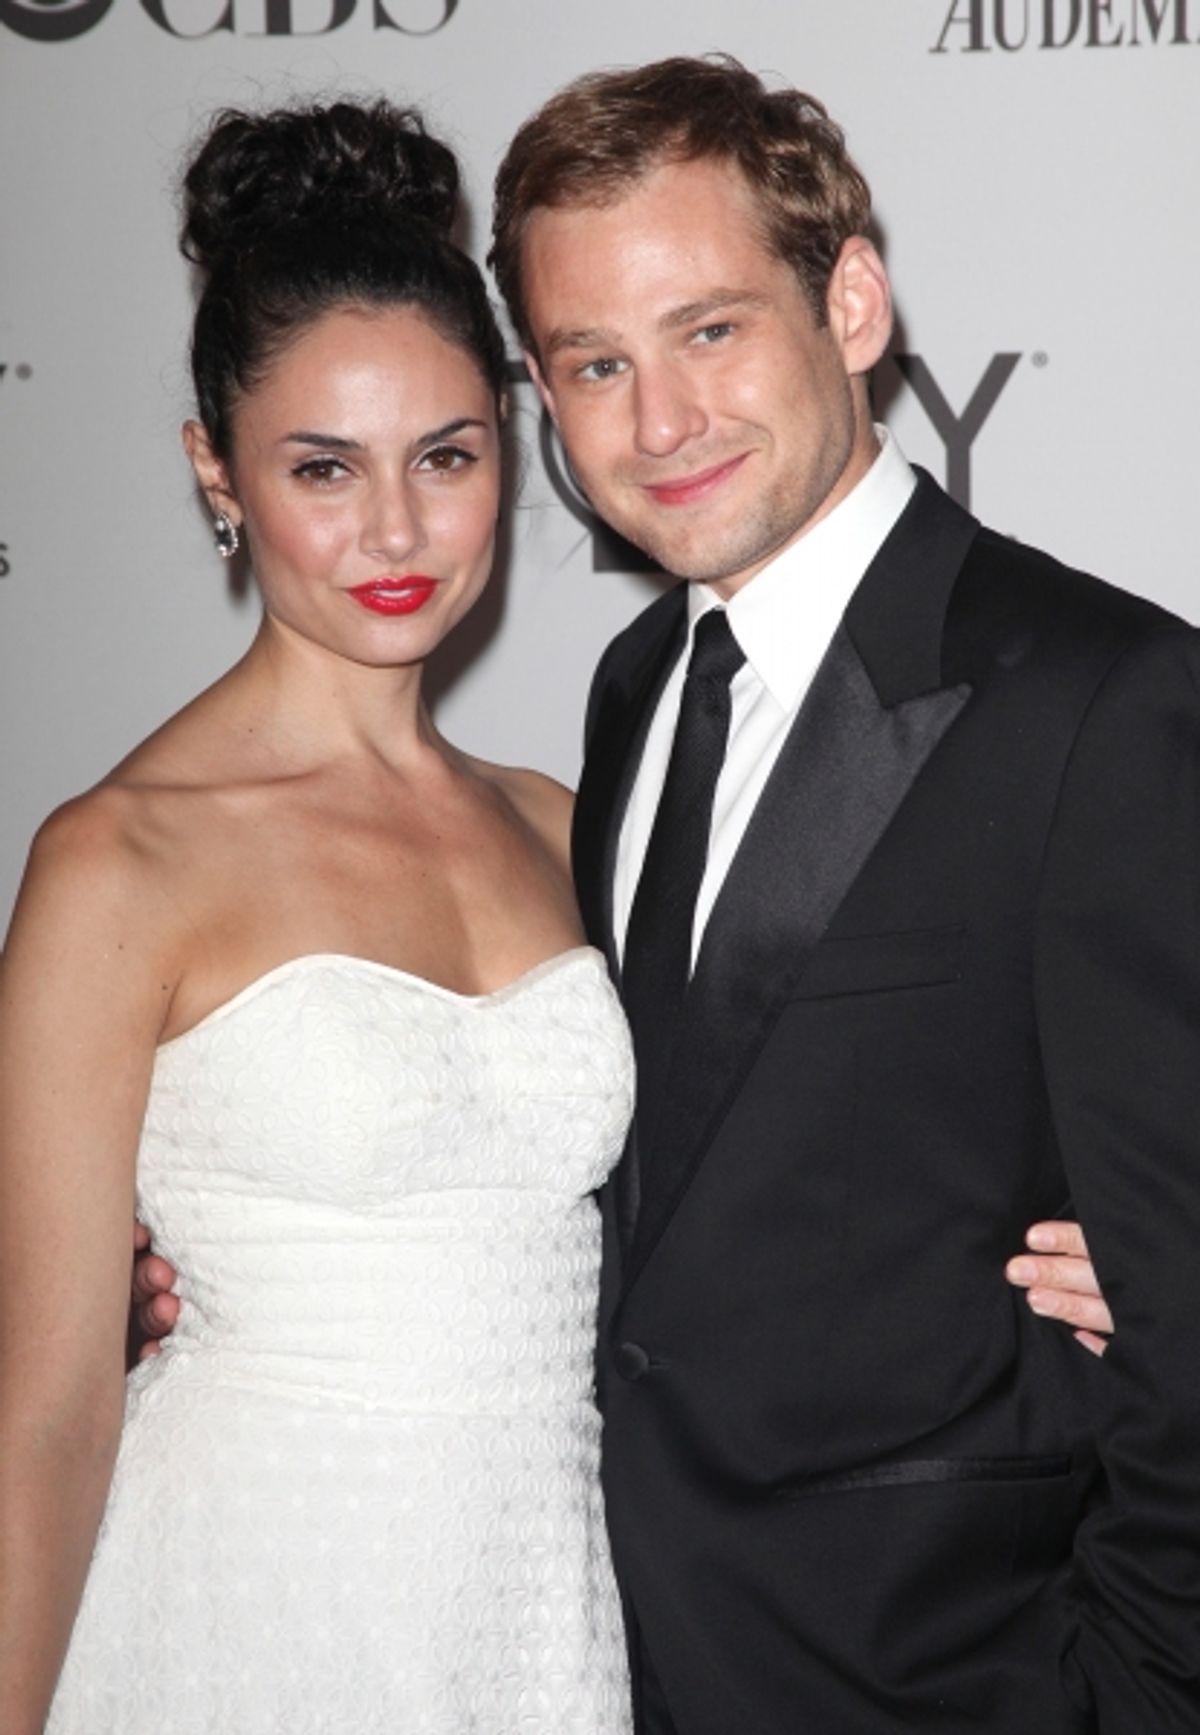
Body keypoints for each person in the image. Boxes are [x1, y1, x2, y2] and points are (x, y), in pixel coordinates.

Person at [490, 53, 1200, 1733]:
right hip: (626, 1662)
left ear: (855, 304)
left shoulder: (1100, 698)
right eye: (597, 362)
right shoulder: (631, 687)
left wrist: (1126, 1700)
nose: (658, 423)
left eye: (712, 330)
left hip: (957, 1677)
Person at [0, 99, 633, 1733]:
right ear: (217, 468)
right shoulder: (120, 862)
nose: (399, 531)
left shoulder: (568, 825)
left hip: (532, 1620)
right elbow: (52, 1406)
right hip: (241, 1608)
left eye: (447, 454)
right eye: (322, 469)